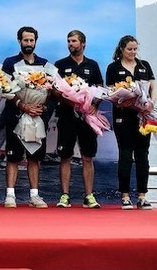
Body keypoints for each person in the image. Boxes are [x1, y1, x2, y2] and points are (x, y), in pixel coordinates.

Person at [0, 26, 51, 208]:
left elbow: (51, 91)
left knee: (34, 157)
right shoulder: (10, 62)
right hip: (15, 116)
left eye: (31, 40)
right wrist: (23, 105)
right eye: (25, 40)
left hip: (37, 117)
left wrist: (41, 106)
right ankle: (10, 196)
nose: (28, 43)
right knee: (13, 157)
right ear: (19, 41)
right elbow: (4, 88)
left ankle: (34, 196)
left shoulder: (45, 64)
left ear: (36, 41)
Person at [52, 30, 103, 209]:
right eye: (68, 41)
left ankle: (89, 196)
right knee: (65, 156)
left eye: (74, 41)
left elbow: (99, 88)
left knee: (87, 156)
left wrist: (94, 104)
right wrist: (69, 101)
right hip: (66, 116)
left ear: (83, 43)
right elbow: (55, 90)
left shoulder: (93, 65)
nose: (70, 44)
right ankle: (65, 195)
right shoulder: (60, 64)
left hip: (87, 118)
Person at [106, 35, 157, 210]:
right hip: (123, 117)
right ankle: (125, 196)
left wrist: (151, 104)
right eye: (129, 49)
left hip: (143, 117)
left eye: (135, 49)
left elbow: (153, 89)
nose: (133, 52)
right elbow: (110, 93)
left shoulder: (144, 65)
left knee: (143, 155)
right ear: (122, 49)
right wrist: (122, 101)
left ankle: (142, 196)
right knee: (126, 156)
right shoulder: (113, 68)